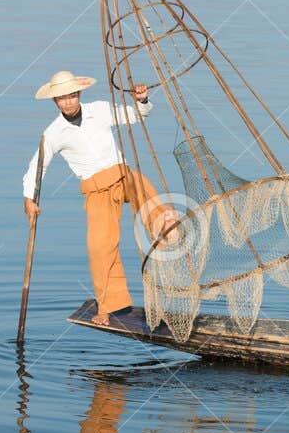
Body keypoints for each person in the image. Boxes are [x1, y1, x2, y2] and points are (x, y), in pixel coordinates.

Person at [22, 69, 178, 325]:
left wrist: (141, 101)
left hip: (122, 174)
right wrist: (29, 197)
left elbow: (136, 116)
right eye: (62, 98)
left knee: (144, 188)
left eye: (72, 95)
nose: (69, 101)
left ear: (79, 94)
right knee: (100, 246)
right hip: (96, 190)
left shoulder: (100, 109)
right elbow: (38, 164)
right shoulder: (53, 133)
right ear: (55, 101)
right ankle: (108, 306)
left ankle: (166, 226)